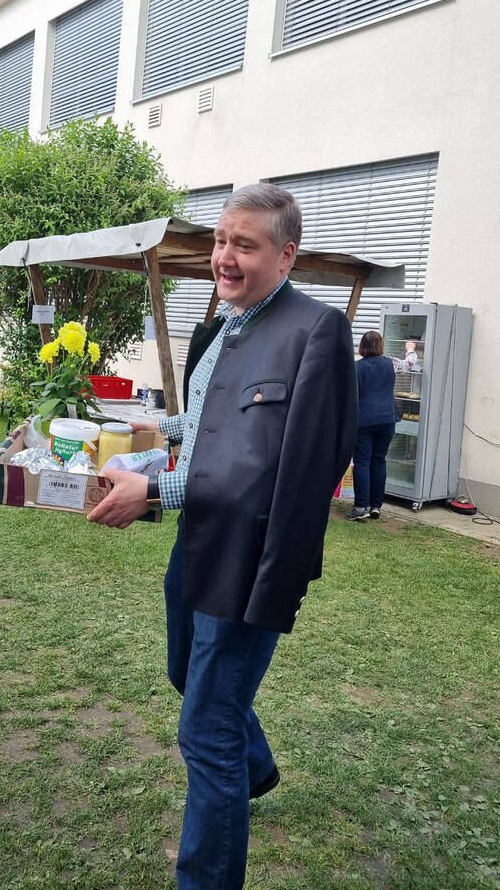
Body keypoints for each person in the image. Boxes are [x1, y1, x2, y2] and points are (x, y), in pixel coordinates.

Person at [87, 183, 357, 889]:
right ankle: (255, 767)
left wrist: (156, 490)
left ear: (286, 256)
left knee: (205, 731)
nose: (224, 258)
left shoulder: (316, 331)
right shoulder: (226, 325)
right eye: (219, 240)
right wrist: (147, 428)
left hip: (252, 558)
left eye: (245, 245)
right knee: (185, 671)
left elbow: (275, 468)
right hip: (198, 544)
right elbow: (214, 426)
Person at [347, 329, 399, 521]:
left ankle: (361, 506)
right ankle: (376, 505)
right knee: (379, 461)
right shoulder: (391, 363)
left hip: (364, 420)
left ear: (362, 346)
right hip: (388, 418)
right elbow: (410, 363)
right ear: (381, 345)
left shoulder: (356, 368)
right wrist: (411, 349)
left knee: (362, 461)